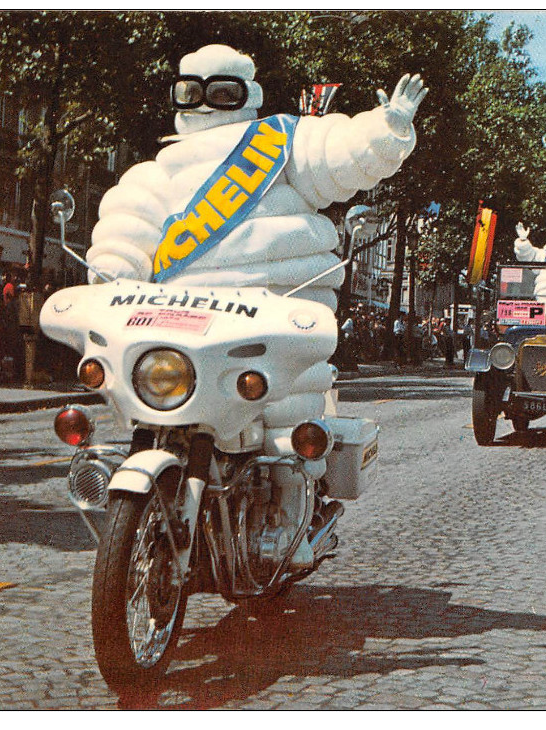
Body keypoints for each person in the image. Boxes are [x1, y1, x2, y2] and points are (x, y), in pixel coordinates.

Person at [83, 43, 429, 569]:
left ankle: (290, 520)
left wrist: (387, 126)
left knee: (284, 435)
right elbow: (124, 231)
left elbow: (340, 150)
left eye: (222, 92)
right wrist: (110, 278)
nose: (205, 104)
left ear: (248, 96)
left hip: (271, 324)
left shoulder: (281, 146)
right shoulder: (153, 174)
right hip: (175, 326)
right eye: (191, 92)